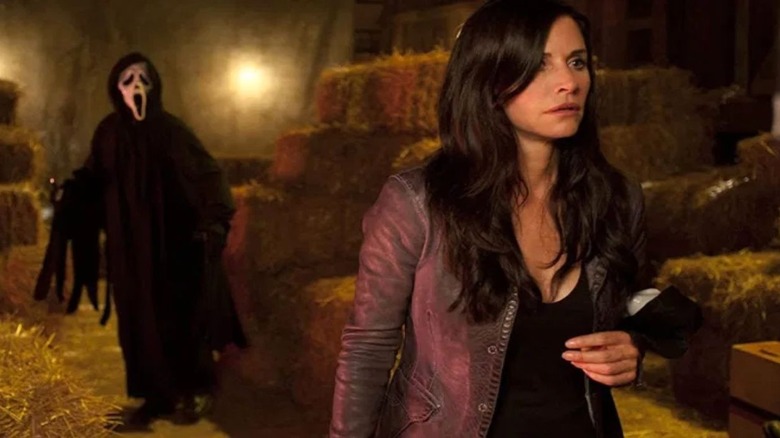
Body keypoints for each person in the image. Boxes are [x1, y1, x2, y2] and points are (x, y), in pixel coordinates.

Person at [329, 1, 701, 437]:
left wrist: (635, 344)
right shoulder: (417, 203)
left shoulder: (616, 198)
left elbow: (632, 304)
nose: (568, 83)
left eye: (577, 62)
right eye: (539, 66)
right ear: (488, 80)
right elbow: (368, 348)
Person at [37, 52, 247, 429]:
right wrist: (73, 197)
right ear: (115, 88)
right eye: (128, 79)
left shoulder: (172, 131)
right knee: (138, 321)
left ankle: (195, 389)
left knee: (181, 316)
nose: (136, 86)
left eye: (143, 79)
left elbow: (208, 175)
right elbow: (94, 177)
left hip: (175, 244)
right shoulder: (108, 133)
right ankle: (155, 396)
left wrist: (212, 224)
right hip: (129, 248)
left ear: (155, 85)